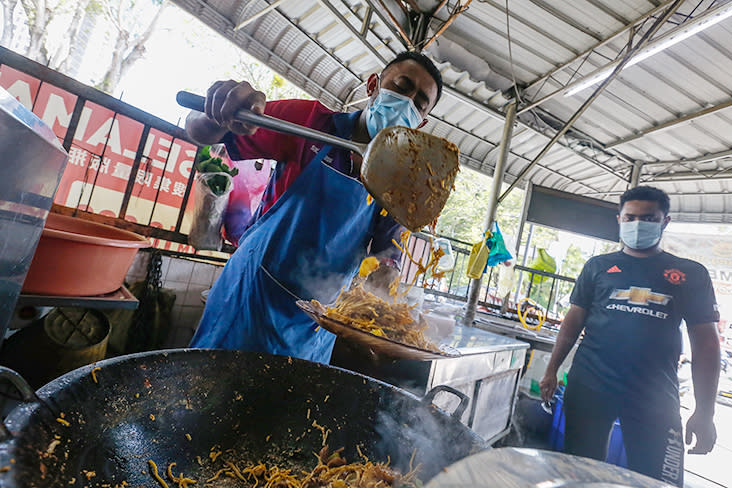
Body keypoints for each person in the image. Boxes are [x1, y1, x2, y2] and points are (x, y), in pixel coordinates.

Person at [185, 52, 443, 363]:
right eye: (402, 87)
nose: (407, 103)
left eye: (419, 104)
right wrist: (219, 111)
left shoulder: (399, 178)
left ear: (422, 122)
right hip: (251, 299)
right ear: (373, 85)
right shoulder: (312, 122)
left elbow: (386, 255)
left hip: (317, 324)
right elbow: (202, 130)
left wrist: (387, 311)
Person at [539, 186, 721, 487]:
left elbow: (706, 343)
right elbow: (573, 322)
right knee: (579, 474)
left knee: (659, 480)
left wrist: (705, 412)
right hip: (589, 386)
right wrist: (551, 369)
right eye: (631, 217)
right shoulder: (597, 267)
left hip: (654, 395)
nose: (638, 225)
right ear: (620, 219)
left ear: (666, 221)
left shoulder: (689, 273)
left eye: (648, 219)